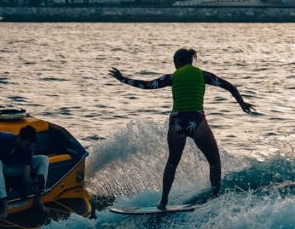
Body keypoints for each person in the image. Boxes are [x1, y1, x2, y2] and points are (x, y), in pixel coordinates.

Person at [109, 48, 255, 210]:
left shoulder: (172, 77)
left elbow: (148, 85)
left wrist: (123, 79)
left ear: (178, 61)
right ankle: (216, 199)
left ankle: (163, 202)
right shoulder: (203, 75)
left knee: (172, 162)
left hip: (176, 122)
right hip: (196, 121)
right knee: (214, 161)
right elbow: (228, 86)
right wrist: (241, 103)